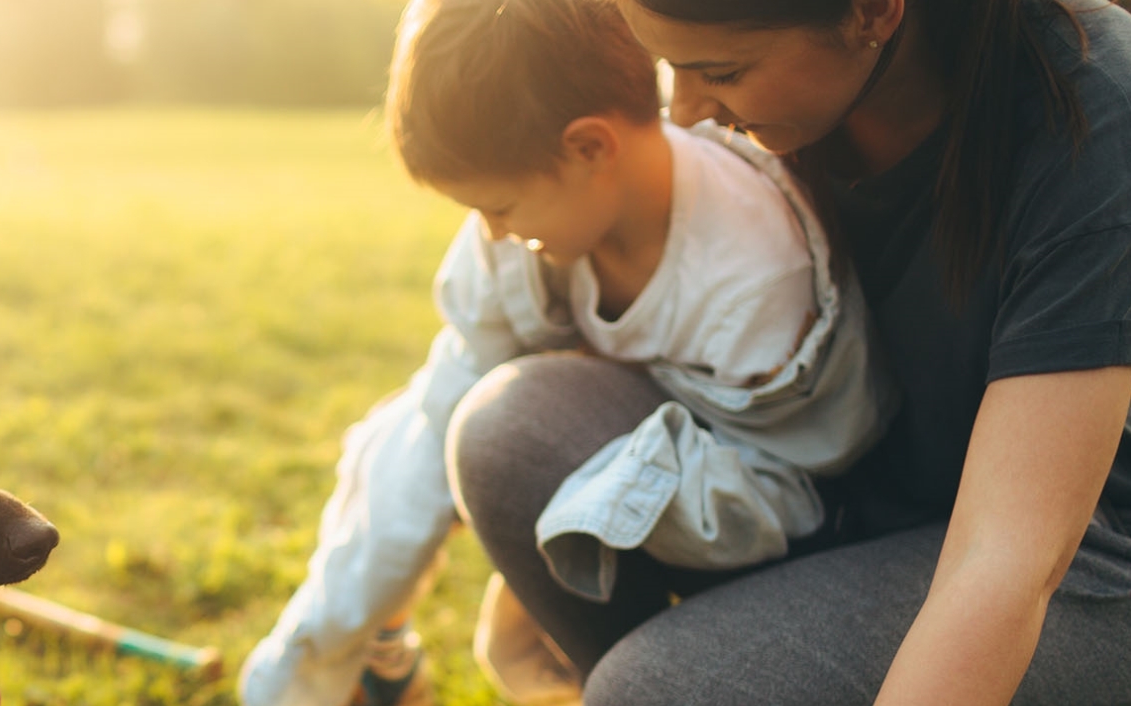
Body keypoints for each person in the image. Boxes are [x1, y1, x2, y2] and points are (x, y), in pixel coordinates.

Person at [453, 0, 1131, 701]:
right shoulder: (776, 112)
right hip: (842, 492)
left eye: (721, 71)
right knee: (510, 434)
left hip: (1075, 552)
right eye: (667, 68)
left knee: (655, 690)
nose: (682, 113)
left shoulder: (1089, 109)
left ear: (873, 11)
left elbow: (1009, 559)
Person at [236, 0, 895, 703]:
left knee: (516, 432)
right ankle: (330, 661)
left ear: (589, 150)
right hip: (649, 461)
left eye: (500, 207)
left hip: (794, 536)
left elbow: (790, 501)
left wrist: (560, 509)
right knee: (404, 437)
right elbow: (442, 409)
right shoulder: (537, 234)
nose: (489, 233)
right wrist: (317, 643)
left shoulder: (752, 277)